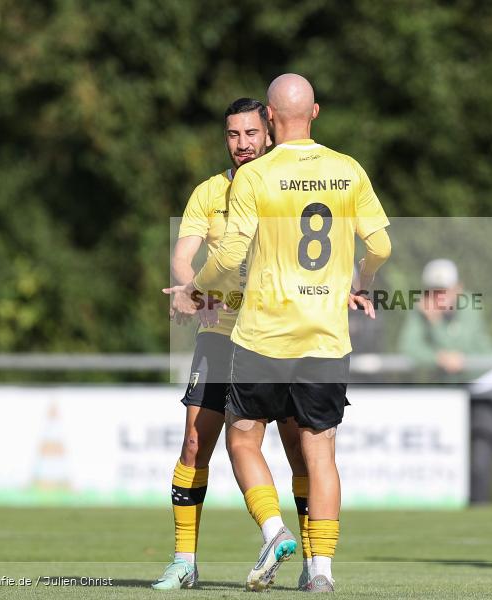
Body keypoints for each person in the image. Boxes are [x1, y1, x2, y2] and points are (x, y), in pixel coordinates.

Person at [182, 73, 391, 593]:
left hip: (265, 336)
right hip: (324, 336)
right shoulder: (347, 170)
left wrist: (199, 289)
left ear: (270, 120)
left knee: (243, 439)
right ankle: (321, 571)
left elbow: (229, 255)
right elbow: (382, 245)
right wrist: (361, 283)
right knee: (321, 455)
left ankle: (274, 528)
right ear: (315, 112)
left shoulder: (256, 177)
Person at [153, 98, 311, 590]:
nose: (242, 144)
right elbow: (184, 254)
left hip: (275, 336)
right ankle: (184, 562)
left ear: (267, 132)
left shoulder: (284, 184)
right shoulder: (208, 192)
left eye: (250, 133)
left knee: (295, 449)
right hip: (219, 339)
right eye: (232, 135)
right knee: (195, 443)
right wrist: (189, 290)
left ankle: (312, 561)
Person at [398, 258, 492, 381]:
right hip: (453, 383)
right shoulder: (421, 307)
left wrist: (436, 323)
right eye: (433, 291)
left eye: (444, 290)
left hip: (485, 379)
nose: (439, 296)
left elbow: (460, 349)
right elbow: (409, 347)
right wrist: (438, 359)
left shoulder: (469, 304)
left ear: (458, 288)